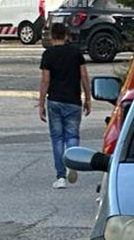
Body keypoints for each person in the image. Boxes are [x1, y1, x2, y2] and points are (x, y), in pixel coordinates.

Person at [38, 22, 91, 189]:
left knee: (57, 138)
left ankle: (60, 177)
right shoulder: (76, 53)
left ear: (52, 36)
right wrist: (88, 98)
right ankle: (73, 164)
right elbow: (84, 76)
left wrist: (41, 103)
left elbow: (45, 80)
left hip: (55, 100)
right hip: (73, 101)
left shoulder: (48, 54)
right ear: (66, 35)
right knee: (72, 136)